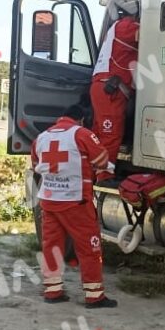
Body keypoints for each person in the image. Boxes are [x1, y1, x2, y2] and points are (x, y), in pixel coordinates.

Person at [31, 104, 118, 308]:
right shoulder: (82, 134)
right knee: (89, 248)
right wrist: (106, 169)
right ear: (82, 119)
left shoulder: (42, 137)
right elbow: (101, 159)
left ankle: (52, 292)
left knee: (52, 246)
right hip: (75, 202)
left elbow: (35, 165)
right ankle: (94, 296)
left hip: (49, 201)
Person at [90, 2, 140, 182]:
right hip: (110, 88)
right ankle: (104, 175)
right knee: (110, 134)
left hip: (105, 86)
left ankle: (91, 172)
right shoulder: (126, 26)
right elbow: (149, 36)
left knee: (99, 134)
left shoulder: (114, 28)